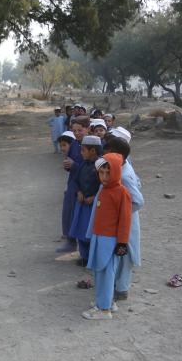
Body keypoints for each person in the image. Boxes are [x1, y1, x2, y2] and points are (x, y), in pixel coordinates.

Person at [83, 153, 132, 320]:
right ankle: (107, 301)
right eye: (101, 172)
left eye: (108, 172)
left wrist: (122, 243)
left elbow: (125, 220)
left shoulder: (121, 192)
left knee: (106, 273)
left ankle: (103, 310)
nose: (104, 176)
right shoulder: (104, 189)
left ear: (117, 172)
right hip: (99, 238)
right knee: (100, 272)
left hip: (110, 240)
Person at [93, 137, 143, 301]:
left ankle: (121, 289)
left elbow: (138, 201)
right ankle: (115, 286)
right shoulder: (118, 169)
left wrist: (120, 215)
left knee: (125, 256)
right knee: (118, 256)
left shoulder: (124, 176)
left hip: (125, 223)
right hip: (119, 222)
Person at [68, 135, 102, 266]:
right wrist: (79, 192)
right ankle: (85, 257)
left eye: (83, 150)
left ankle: (93, 258)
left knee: (92, 233)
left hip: (94, 206)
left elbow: (103, 186)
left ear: (93, 151)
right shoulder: (82, 164)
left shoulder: (101, 167)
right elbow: (75, 180)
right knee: (79, 230)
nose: (81, 153)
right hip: (82, 204)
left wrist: (95, 197)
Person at [57, 116, 89, 252]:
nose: (76, 133)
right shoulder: (75, 144)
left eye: (80, 130)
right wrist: (68, 166)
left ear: (88, 129)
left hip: (86, 186)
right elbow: (71, 162)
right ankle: (70, 242)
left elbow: (91, 167)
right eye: (74, 130)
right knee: (69, 212)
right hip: (73, 184)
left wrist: (74, 165)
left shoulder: (92, 145)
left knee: (83, 218)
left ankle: (85, 251)